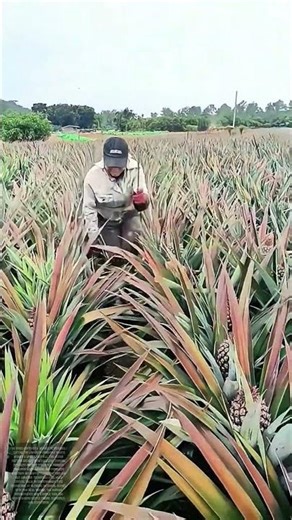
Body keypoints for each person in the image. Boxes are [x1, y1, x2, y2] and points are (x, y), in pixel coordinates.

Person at [82, 136, 150, 256]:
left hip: (129, 216)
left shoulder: (135, 169)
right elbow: (89, 209)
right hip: (107, 220)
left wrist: (143, 201)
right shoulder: (92, 177)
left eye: (119, 164)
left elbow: (143, 194)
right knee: (113, 255)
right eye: (112, 164)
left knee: (131, 247)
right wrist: (93, 238)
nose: (116, 169)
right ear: (104, 159)